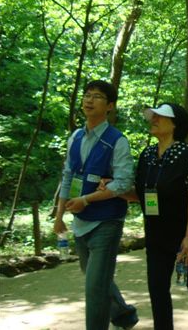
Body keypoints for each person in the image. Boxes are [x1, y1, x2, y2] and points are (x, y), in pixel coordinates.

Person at [53, 80, 138, 330]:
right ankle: (124, 316)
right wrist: (59, 216)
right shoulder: (76, 137)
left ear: (110, 106)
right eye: (87, 95)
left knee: (94, 288)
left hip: (107, 222)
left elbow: (123, 183)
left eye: (97, 97)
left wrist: (86, 200)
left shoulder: (117, 141)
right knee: (97, 280)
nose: (89, 100)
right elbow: (68, 175)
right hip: (80, 223)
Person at [134, 103, 188, 329]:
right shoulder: (147, 155)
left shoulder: (187, 154)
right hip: (156, 233)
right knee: (157, 286)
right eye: (154, 116)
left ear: (175, 124)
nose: (154, 119)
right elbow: (139, 193)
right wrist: (110, 191)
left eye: (161, 116)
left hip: (186, 232)